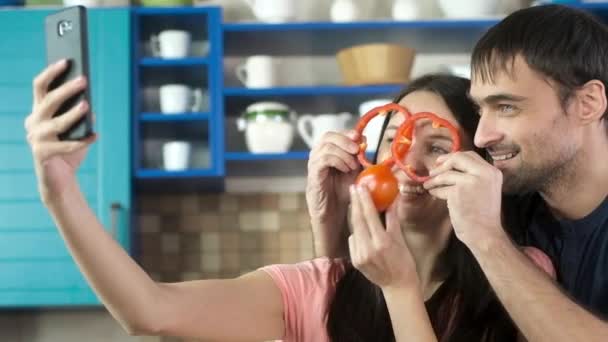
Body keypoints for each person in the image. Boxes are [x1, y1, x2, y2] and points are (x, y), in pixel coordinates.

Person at [26, 66, 553, 341]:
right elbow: (148, 310)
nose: (404, 160)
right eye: (393, 139)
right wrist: (59, 191)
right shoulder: (317, 288)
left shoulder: (520, 279)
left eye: (436, 146)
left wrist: (398, 288)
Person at [313, 4, 608, 342]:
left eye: (506, 107)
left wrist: (487, 238)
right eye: (481, 109)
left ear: (588, 103)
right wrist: (329, 218)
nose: (482, 136)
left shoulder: (493, 222)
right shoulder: (512, 199)